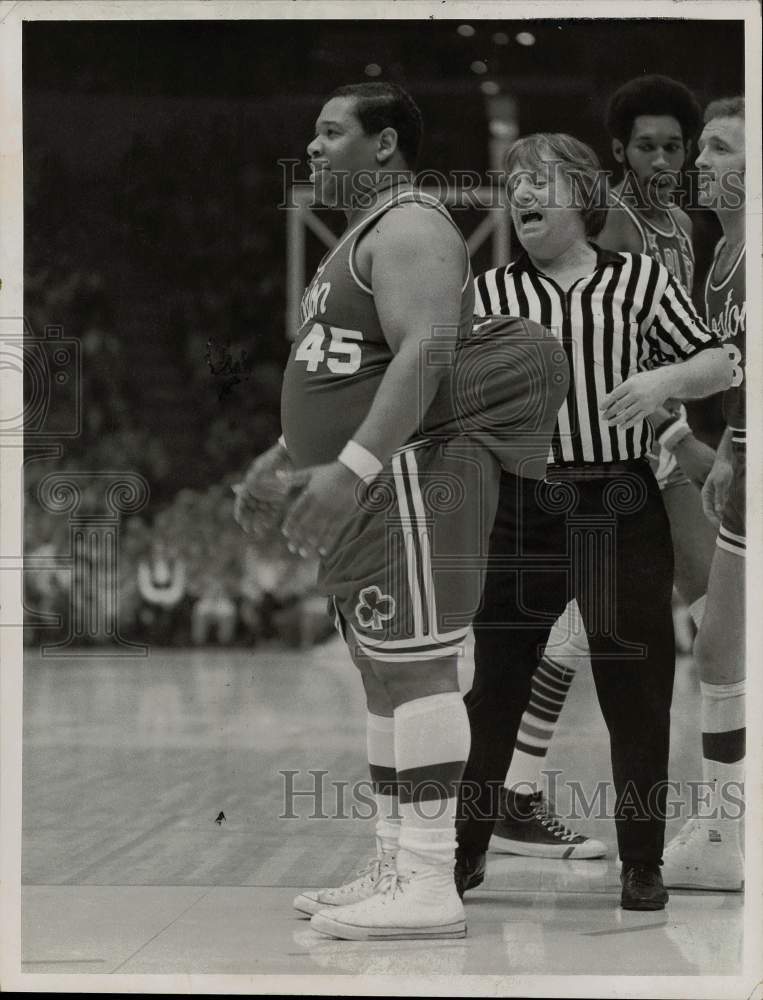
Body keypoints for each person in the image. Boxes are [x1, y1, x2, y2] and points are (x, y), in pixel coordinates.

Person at [234, 83, 567, 940]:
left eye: (330, 131)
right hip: (371, 481)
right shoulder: (358, 238)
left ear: (384, 146)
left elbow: (426, 350)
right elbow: (344, 370)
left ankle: (426, 879)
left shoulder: (414, 223)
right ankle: (395, 862)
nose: (310, 148)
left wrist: (346, 468)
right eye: (311, 133)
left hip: (413, 474)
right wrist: (281, 460)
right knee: (385, 675)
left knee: (418, 670)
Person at [456, 132, 731, 911]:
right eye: (513, 184)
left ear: (580, 193)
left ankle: (640, 862)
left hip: (619, 497)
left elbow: (722, 361)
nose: (522, 196)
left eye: (538, 182)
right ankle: (465, 849)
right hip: (523, 502)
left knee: (637, 687)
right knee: (496, 686)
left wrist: (663, 381)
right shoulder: (487, 294)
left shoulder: (638, 281)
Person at [661, 97, 746, 891]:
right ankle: (726, 822)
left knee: (720, 649)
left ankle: (728, 829)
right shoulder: (718, 250)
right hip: (741, 456)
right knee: (719, 648)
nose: (703, 162)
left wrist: (734, 450)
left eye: (721, 148)